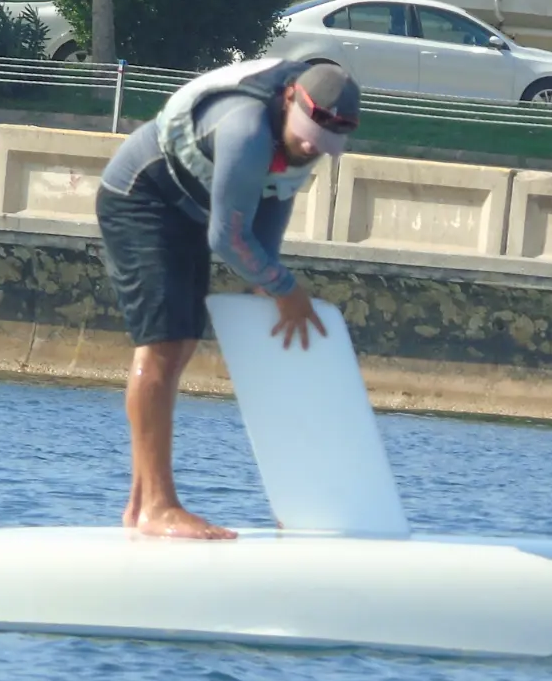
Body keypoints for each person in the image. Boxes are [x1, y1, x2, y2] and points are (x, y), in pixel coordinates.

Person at [96, 56, 361, 540]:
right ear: (288, 100)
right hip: (140, 195)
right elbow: (227, 239)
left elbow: (260, 249)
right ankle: (156, 506)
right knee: (163, 345)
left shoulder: (299, 152)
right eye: (307, 133)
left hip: (187, 213)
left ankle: (139, 506)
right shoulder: (246, 129)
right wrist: (286, 290)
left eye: (323, 143)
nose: (310, 146)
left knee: (181, 343)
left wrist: (275, 292)